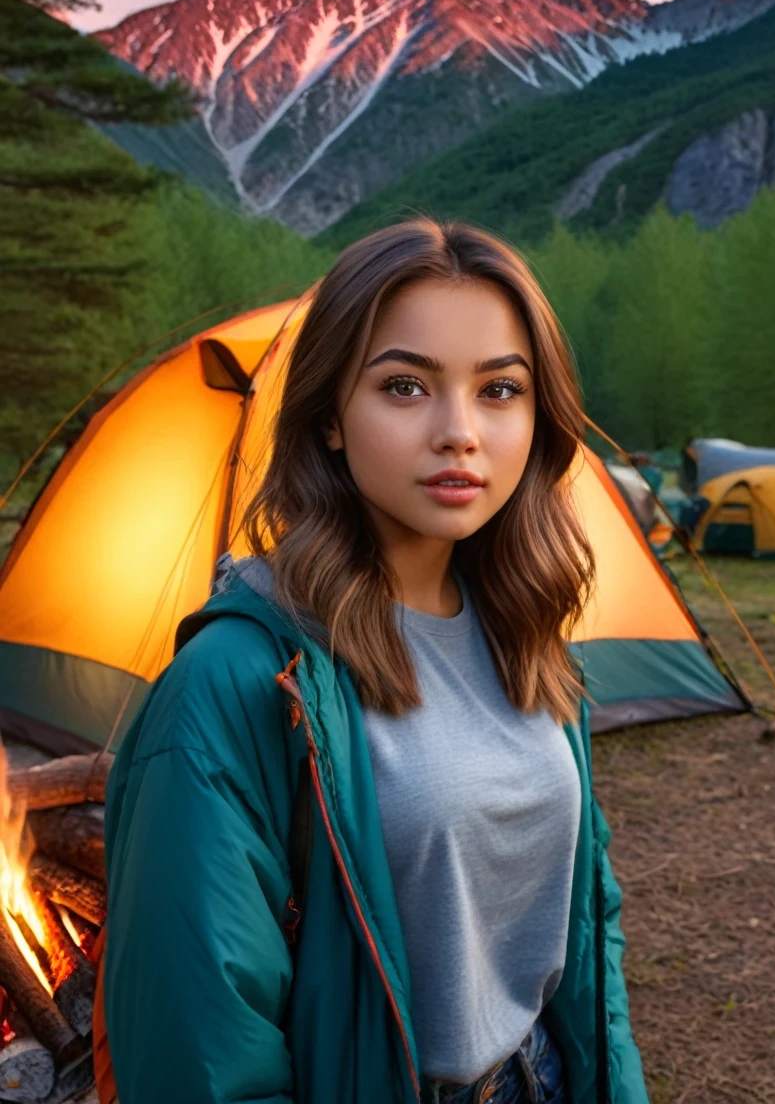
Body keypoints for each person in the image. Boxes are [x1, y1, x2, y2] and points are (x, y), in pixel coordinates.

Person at [100, 217, 649, 1104]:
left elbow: (589, 930)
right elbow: (201, 1050)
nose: (460, 432)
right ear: (326, 419)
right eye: (405, 387)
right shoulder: (234, 687)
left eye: (500, 390)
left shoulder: (532, 635)